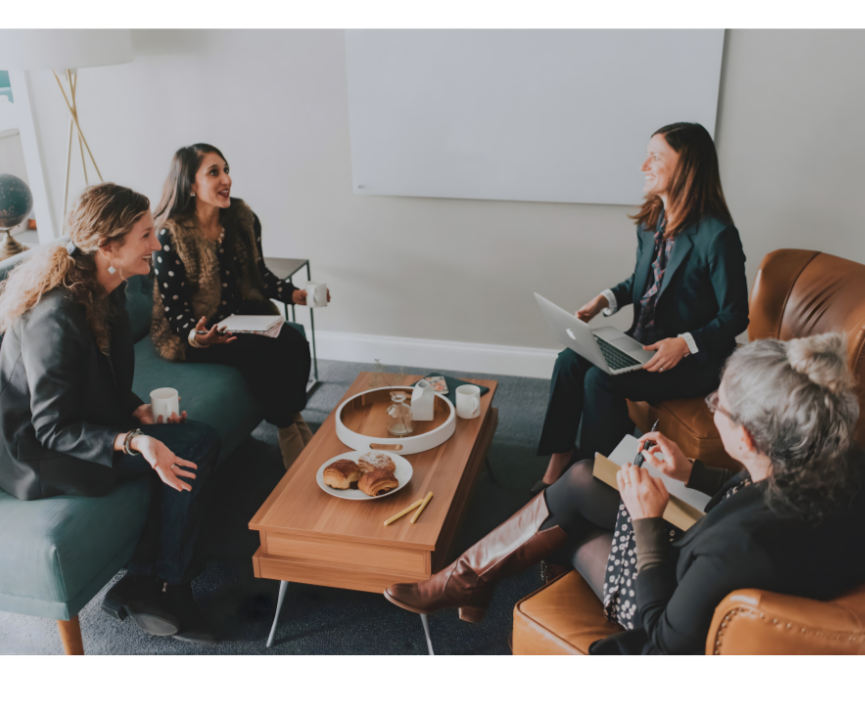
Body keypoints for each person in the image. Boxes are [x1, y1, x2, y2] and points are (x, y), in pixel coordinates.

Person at [384, 332, 865, 656]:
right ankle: (467, 578)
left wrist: (646, 522)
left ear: (747, 438)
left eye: (719, 402)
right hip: (720, 560)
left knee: (570, 527)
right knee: (581, 478)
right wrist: (691, 472)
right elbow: (749, 487)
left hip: (671, 600)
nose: (713, 404)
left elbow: (661, 640)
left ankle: (468, 581)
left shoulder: (738, 546)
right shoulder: (837, 460)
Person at [0, 183, 221, 643]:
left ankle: (143, 583)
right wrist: (133, 441)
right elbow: (52, 428)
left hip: (80, 424)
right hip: (40, 454)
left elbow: (101, 376)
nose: (157, 244)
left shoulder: (107, 287)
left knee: (196, 438)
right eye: (146, 236)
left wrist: (135, 411)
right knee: (193, 445)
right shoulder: (55, 315)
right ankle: (168, 586)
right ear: (107, 247)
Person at [534, 122, 749, 492]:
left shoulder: (718, 236)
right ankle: (560, 458)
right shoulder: (653, 220)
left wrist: (685, 343)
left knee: (599, 379)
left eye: (655, 157)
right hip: (642, 344)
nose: (643, 165)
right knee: (569, 360)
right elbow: (643, 283)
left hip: (692, 363)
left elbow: (735, 315)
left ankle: (595, 479)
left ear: (686, 167)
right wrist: (605, 299)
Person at [151, 143, 326, 469]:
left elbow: (259, 275)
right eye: (214, 172)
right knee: (261, 355)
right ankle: (289, 431)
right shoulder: (169, 237)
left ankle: (291, 418)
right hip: (196, 333)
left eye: (226, 170)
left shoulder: (242, 218)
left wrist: (294, 295)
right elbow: (175, 312)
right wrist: (198, 336)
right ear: (190, 184)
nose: (226, 179)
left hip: (243, 317)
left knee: (295, 343)